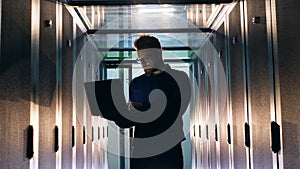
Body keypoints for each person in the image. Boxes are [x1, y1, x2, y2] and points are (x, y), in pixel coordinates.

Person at [125, 35, 191, 169]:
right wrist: (116, 112)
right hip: (141, 149)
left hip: (168, 149)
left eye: (146, 58)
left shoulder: (179, 78)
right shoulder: (136, 83)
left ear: (158, 53)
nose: (143, 63)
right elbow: (131, 120)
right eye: (140, 59)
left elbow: (175, 111)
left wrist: (142, 107)